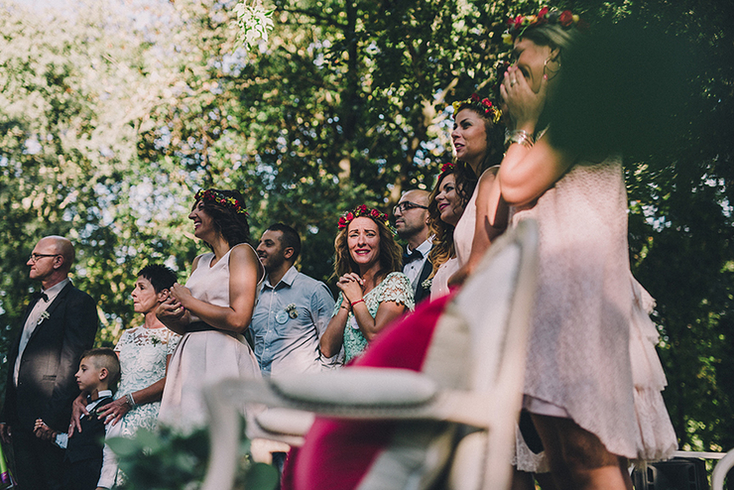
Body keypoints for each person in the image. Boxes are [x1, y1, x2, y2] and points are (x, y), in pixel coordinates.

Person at [484, 7, 676, 488]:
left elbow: (513, 184)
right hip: (548, 306)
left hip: (578, 306)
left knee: (589, 456)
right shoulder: (551, 132)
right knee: (563, 459)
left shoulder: (583, 115)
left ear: (555, 59)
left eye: (519, 58)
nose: (510, 71)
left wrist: (521, 124)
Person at [156, 189, 264, 432]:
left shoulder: (242, 253)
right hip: (190, 354)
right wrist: (166, 317)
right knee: (186, 433)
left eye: (200, 207)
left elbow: (239, 319)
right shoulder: (200, 261)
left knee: (221, 431)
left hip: (222, 353)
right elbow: (190, 323)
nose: (191, 214)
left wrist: (189, 300)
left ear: (220, 213)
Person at [0, 236, 98, 490]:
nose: (29, 261)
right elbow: (18, 359)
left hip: (48, 421)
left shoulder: (79, 302)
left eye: (36, 256)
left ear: (58, 261)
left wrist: (51, 419)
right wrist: (6, 415)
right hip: (20, 420)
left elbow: (72, 362)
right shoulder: (33, 302)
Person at [69, 265, 180, 488]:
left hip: (153, 418)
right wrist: (81, 396)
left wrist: (130, 400)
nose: (133, 292)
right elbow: (105, 371)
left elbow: (173, 379)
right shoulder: (128, 335)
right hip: (116, 418)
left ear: (163, 294)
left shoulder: (175, 334)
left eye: (141, 287)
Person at [319, 205, 414, 363]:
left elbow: (377, 336)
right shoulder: (350, 288)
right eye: (354, 235)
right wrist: (345, 303)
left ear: (381, 242)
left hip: (382, 378)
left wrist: (357, 300)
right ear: (347, 244)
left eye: (369, 234)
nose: (361, 242)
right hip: (352, 381)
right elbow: (327, 349)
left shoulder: (396, 281)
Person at [251, 223, 336, 375]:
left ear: (288, 252)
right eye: (260, 242)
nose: (259, 248)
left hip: (302, 392)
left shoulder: (314, 290)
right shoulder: (254, 293)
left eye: (268, 244)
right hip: (261, 391)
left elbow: (333, 348)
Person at [34, 348, 120, 490]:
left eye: (83, 369)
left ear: (103, 373)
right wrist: (51, 435)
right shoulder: (81, 408)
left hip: (91, 482)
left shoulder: (110, 409)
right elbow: (78, 443)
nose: (76, 374)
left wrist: (103, 486)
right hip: (70, 480)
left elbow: (111, 453)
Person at [426, 163, 466, 300]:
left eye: (448, 189)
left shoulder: (479, 243)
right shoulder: (445, 254)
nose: (438, 197)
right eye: (438, 193)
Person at [393, 190, 432, 303]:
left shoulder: (448, 254)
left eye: (407, 206)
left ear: (429, 215)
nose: (397, 213)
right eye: (397, 208)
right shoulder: (393, 261)